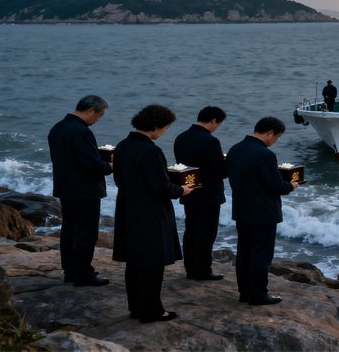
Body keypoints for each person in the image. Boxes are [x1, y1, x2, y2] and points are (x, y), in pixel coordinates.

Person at [112, 104, 196, 323]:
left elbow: (119, 178)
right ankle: (152, 311)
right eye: (166, 127)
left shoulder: (122, 145)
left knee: (134, 261)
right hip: (149, 211)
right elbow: (160, 186)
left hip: (127, 207)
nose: (166, 131)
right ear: (156, 125)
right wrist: (181, 190)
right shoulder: (151, 150)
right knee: (152, 261)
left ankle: (136, 308)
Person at [227, 117, 299, 306]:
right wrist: (290, 186)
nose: (276, 141)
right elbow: (275, 185)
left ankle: (245, 292)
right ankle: (258, 295)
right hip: (263, 212)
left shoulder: (235, 149)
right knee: (261, 255)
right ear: (270, 132)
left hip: (241, 209)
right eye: (277, 137)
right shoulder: (264, 154)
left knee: (244, 252)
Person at [48, 95, 113, 287]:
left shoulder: (58, 127)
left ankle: (71, 271)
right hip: (85, 191)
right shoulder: (81, 131)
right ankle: (83, 274)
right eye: (99, 115)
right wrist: (112, 165)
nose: (98, 119)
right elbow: (93, 165)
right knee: (86, 233)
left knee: (69, 230)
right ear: (90, 110)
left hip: (65, 187)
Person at [173, 106, 229, 281]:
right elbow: (220, 171)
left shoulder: (181, 137)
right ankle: (203, 270)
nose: (217, 127)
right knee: (206, 234)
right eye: (218, 124)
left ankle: (191, 269)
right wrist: (226, 162)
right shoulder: (210, 141)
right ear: (214, 121)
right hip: (209, 194)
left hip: (188, 191)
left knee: (191, 232)